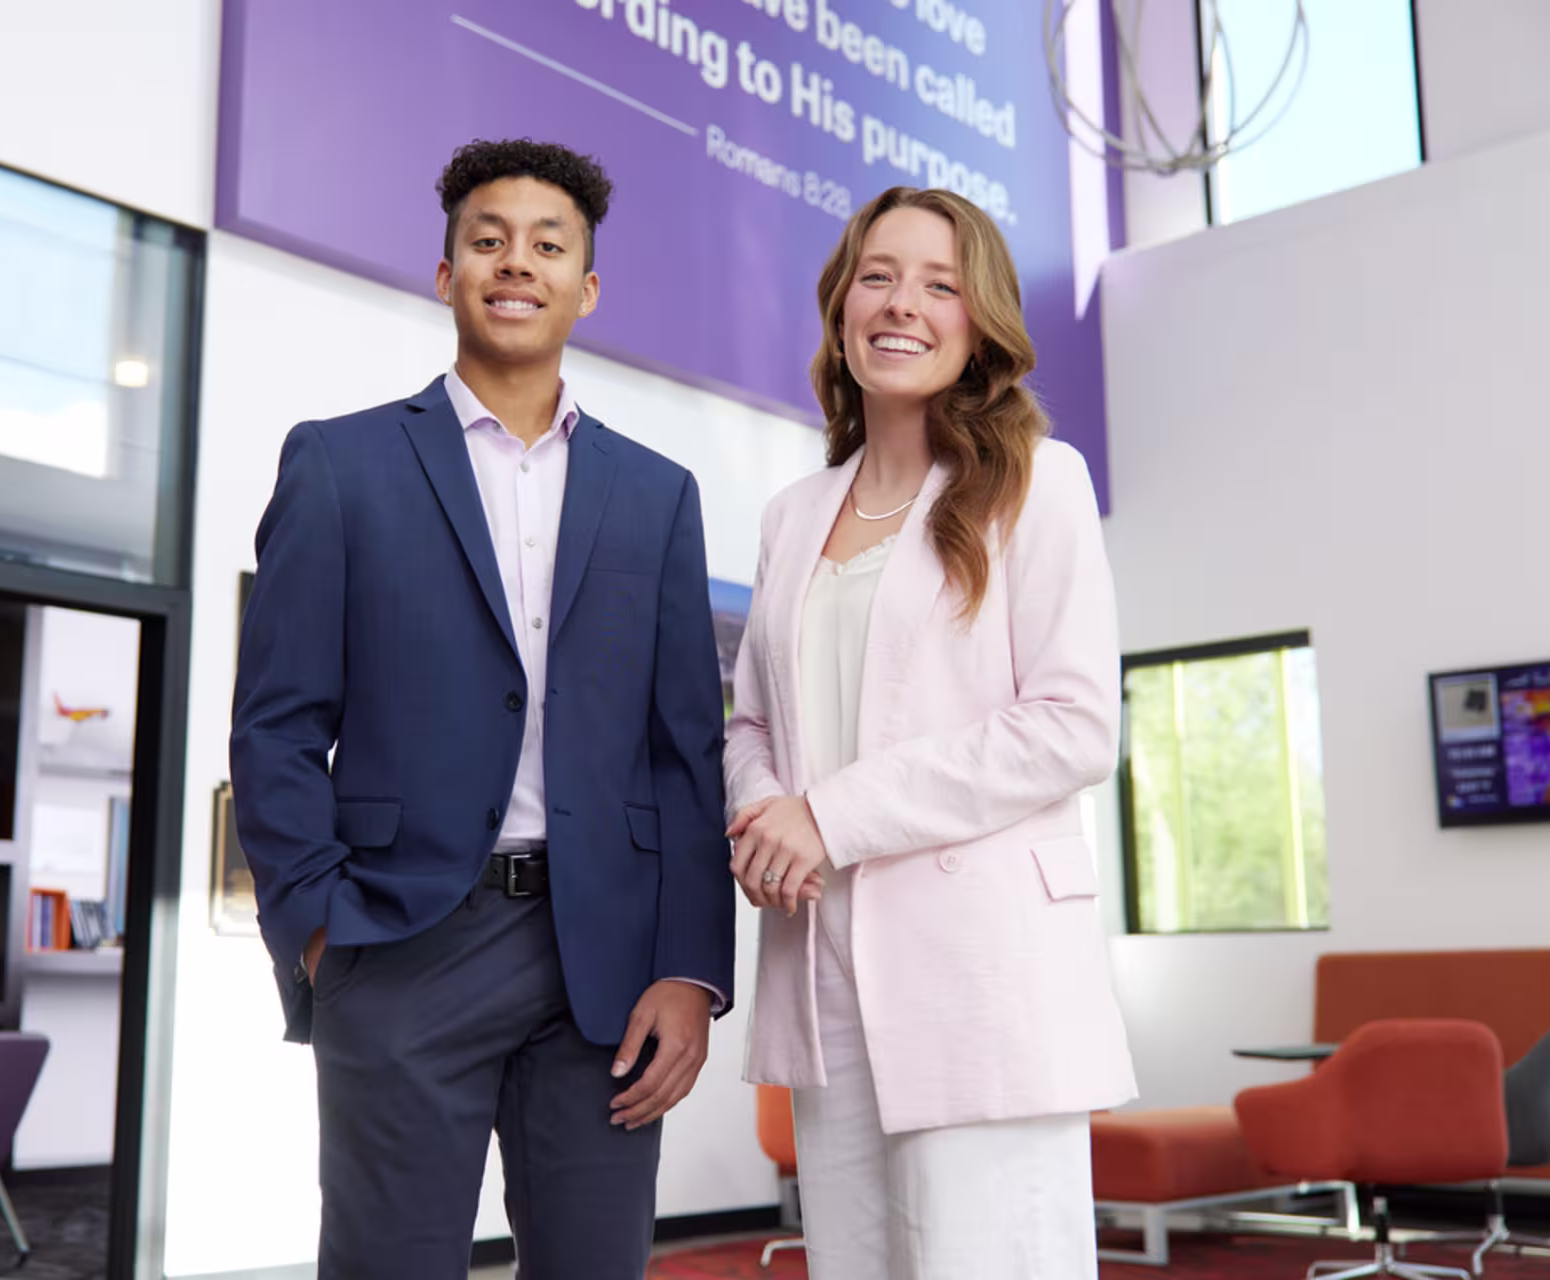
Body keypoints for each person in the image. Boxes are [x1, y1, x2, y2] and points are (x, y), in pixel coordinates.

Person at [231, 138, 733, 1280]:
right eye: (489, 239)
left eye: (549, 245)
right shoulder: (340, 465)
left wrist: (692, 969)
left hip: (604, 966)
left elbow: (685, 754)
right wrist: (318, 922)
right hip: (403, 944)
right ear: (446, 269)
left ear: (586, 287)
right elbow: (276, 722)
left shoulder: (657, 496)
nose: (518, 262)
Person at [724, 186, 1136, 1279]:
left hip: (980, 965)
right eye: (878, 275)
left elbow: (1075, 725)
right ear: (841, 306)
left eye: (939, 284)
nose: (902, 303)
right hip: (826, 962)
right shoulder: (794, 514)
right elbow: (753, 714)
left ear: (978, 319)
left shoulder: (1038, 482)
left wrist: (831, 814)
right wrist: (765, 815)